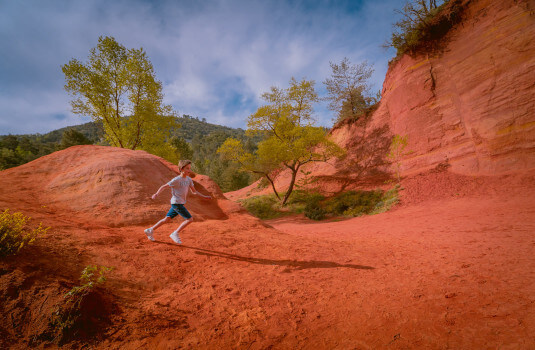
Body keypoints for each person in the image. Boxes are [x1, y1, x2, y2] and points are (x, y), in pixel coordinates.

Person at [144, 160, 211, 244]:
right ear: (182, 169)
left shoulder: (189, 180)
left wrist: (205, 197)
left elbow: (194, 191)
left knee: (167, 219)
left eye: (190, 168)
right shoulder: (176, 180)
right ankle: (175, 233)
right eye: (187, 168)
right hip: (176, 203)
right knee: (189, 219)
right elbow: (164, 186)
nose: (189, 170)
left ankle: (150, 230)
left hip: (180, 203)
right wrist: (156, 194)